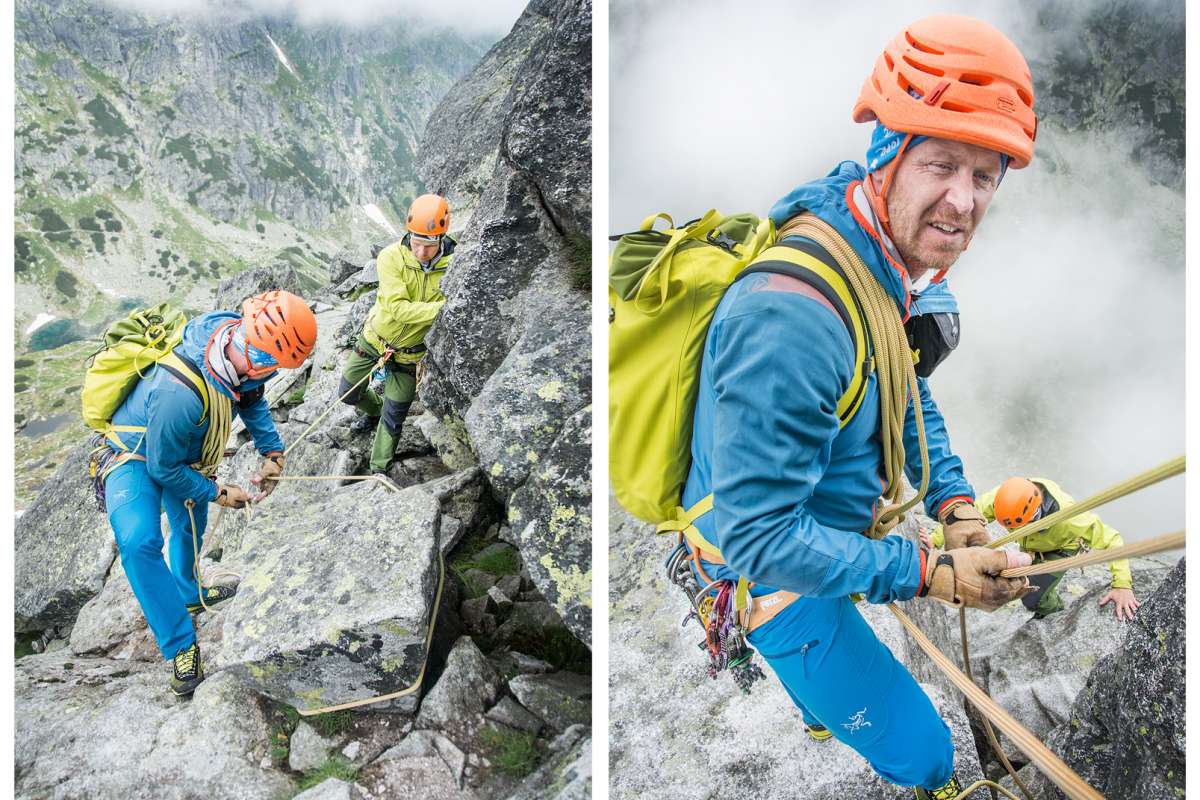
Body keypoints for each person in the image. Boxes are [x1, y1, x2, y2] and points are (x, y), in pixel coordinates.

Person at [678, 15, 1037, 799]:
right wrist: (935, 572)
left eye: (985, 176)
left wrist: (955, 501)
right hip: (765, 565)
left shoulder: (879, 256)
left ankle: (819, 698)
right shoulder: (792, 319)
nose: (963, 200)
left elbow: (910, 390)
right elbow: (765, 537)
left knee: (846, 659)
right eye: (941, 163)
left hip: (823, 534)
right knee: (928, 754)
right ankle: (821, 695)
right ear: (887, 157)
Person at [99, 290, 317, 695]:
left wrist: (273, 452)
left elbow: (250, 397)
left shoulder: (240, 345)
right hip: (134, 455)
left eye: (277, 365)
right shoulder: (178, 391)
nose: (271, 371)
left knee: (191, 525)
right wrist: (218, 491)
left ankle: (189, 592)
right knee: (138, 541)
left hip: (183, 452)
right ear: (251, 341)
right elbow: (163, 468)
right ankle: (180, 644)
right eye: (269, 362)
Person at [339, 194, 455, 474]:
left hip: (409, 356)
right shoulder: (391, 257)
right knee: (347, 394)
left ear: (441, 238)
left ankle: (379, 470)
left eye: (428, 246)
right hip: (374, 340)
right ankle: (373, 409)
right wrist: (444, 306)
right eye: (415, 243)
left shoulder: (454, 265)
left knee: (395, 417)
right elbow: (398, 309)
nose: (420, 252)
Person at [925, 477, 1139, 620]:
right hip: (1031, 545)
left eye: (1017, 526)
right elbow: (966, 519)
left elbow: (1113, 540)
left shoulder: (1072, 519)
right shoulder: (1005, 498)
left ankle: (1053, 614)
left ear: (1035, 515)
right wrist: (936, 539)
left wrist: (1122, 585)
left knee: (1032, 597)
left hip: (1060, 549)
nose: (1012, 530)